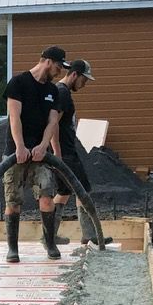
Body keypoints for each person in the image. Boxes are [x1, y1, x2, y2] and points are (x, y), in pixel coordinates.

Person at [2, 46, 68, 264]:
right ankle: (13, 248)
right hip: (16, 153)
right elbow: (15, 117)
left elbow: (52, 122)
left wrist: (42, 146)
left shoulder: (53, 91)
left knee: (47, 197)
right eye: (58, 67)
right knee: (13, 202)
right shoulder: (18, 83)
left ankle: (49, 243)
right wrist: (20, 147)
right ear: (48, 61)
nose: (59, 72)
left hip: (41, 155)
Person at [50, 59, 97, 244]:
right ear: (75, 74)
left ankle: (49, 236)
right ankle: (89, 235)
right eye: (84, 80)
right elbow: (53, 123)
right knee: (83, 189)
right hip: (64, 153)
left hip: (66, 150)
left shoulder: (61, 92)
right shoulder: (62, 93)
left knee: (63, 192)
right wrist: (57, 153)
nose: (84, 85)